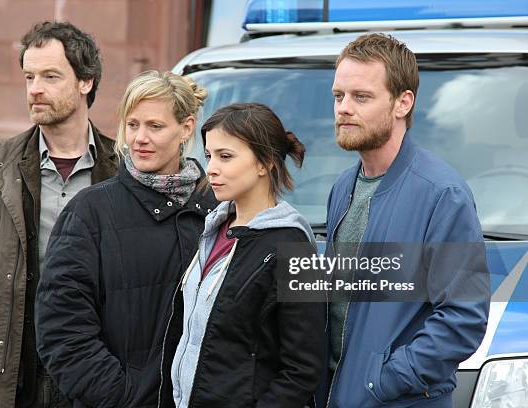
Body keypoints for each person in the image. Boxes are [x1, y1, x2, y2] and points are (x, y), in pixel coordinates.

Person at [0, 21, 117, 407]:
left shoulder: (122, 170)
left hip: (97, 371)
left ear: (86, 82)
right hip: (10, 375)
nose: (35, 89)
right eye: (29, 76)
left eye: (50, 76)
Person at [322, 33, 490, 407]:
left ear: (403, 103)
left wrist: (383, 381)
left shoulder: (442, 194)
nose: (343, 108)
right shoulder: (343, 187)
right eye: (338, 96)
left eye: (361, 97)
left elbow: (463, 319)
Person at [34, 70, 217, 407]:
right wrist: (124, 398)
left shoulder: (219, 209)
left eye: (155, 126)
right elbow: (61, 329)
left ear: (187, 128)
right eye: (132, 125)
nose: (139, 139)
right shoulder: (90, 212)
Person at [171, 103, 326, 407]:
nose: (212, 168)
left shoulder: (293, 248)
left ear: (264, 162)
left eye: (225, 156)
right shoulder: (212, 230)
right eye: (209, 156)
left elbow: (302, 370)